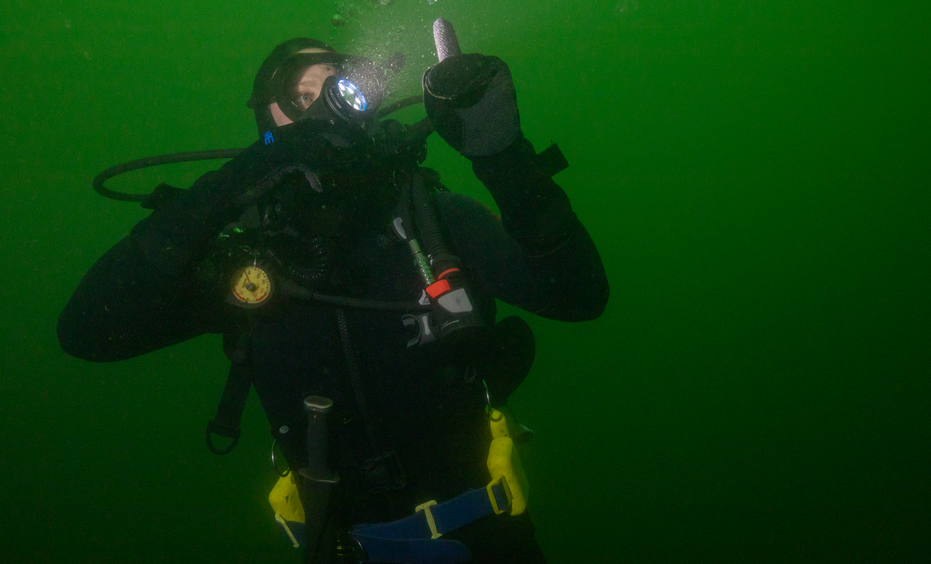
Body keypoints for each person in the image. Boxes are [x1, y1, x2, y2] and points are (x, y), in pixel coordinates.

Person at [58, 30, 609, 563]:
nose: (322, 109)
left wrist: (503, 157)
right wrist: (233, 182)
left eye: (336, 89)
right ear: (264, 123)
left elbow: (578, 296)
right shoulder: (246, 258)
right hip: (343, 551)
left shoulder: (427, 217)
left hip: (490, 540)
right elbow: (88, 332)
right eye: (299, 97)